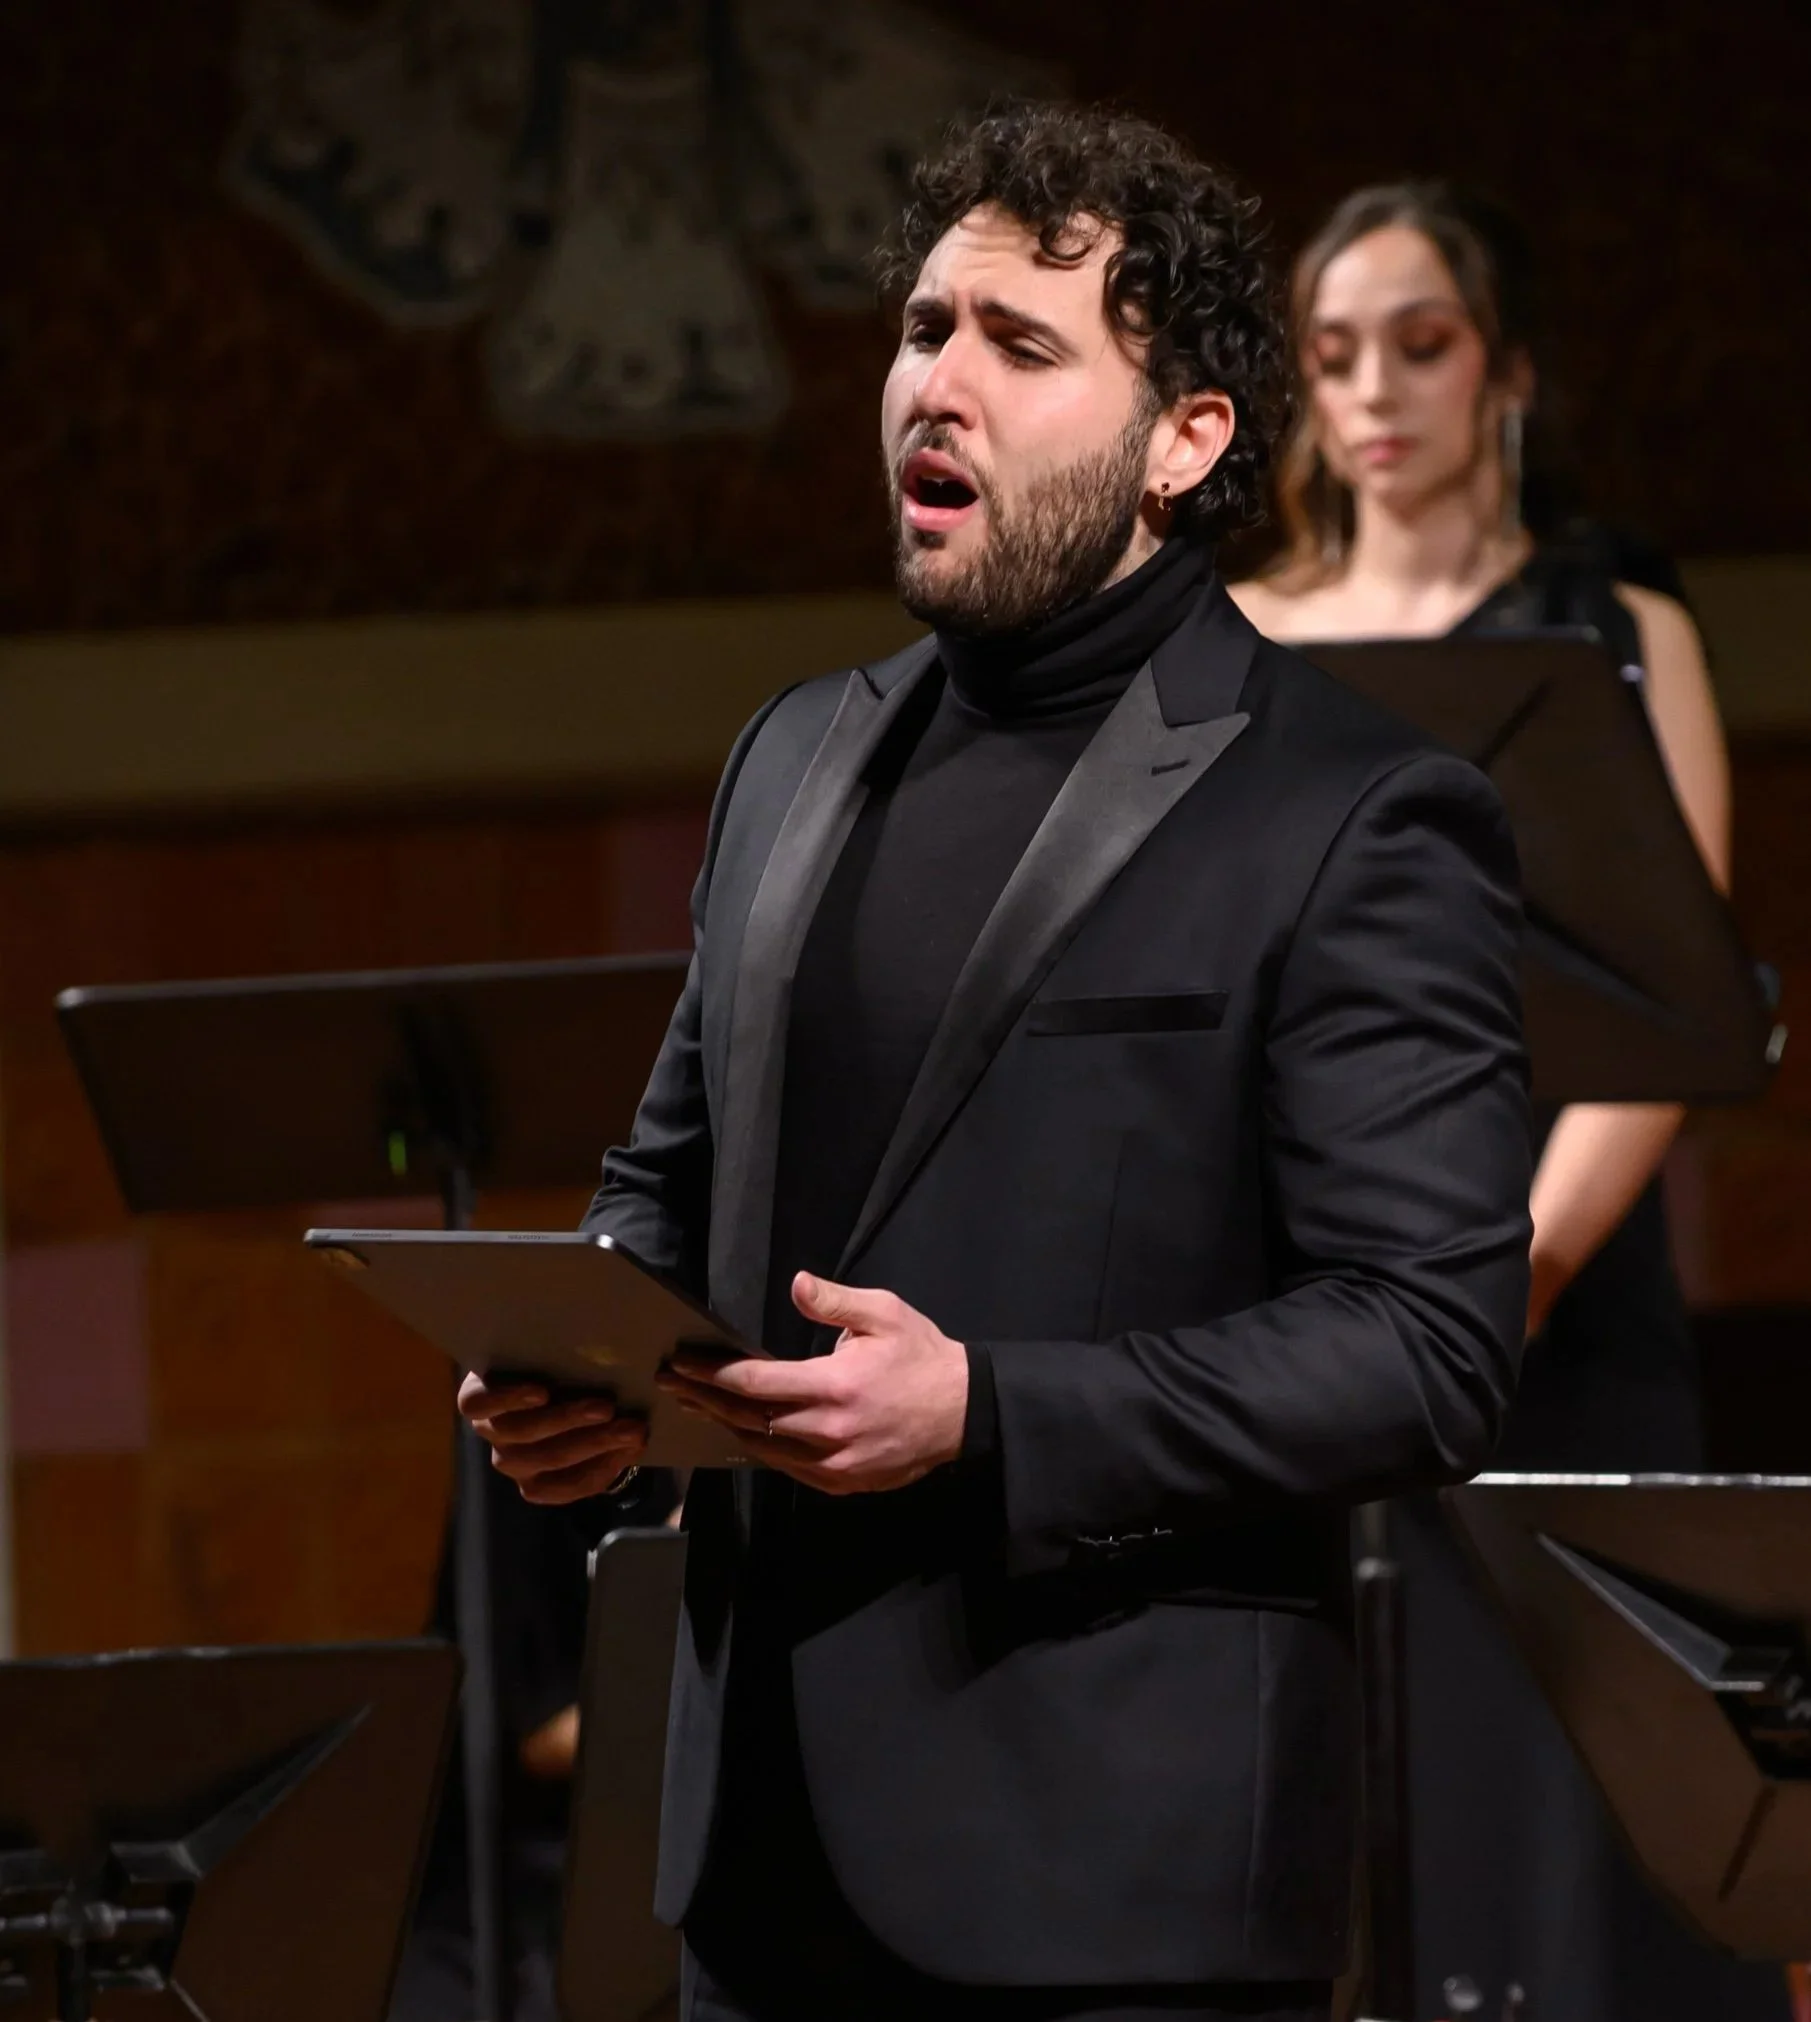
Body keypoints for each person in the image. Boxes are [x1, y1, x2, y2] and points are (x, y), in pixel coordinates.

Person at [460, 104, 1534, 2022]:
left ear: (1183, 437)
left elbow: (1424, 1342)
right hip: (754, 1858)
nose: (931, 385)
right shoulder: (790, 754)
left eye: (1018, 345)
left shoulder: (1350, 808)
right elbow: (669, 1180)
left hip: (1115, 1872)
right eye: (919, 328)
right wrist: (594, 1364)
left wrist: (989, 1413)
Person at [1230, 182, 1785, 2022]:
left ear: (1508, 371)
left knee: (1584, 1837)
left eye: (1420, 343)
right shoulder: (1234, 632)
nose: (1371, 391)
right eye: (1330, 356)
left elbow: (1667, 1003)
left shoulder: (1610, 617)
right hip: (1307, 1307)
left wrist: (1515, 1268)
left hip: (1558, 1295)